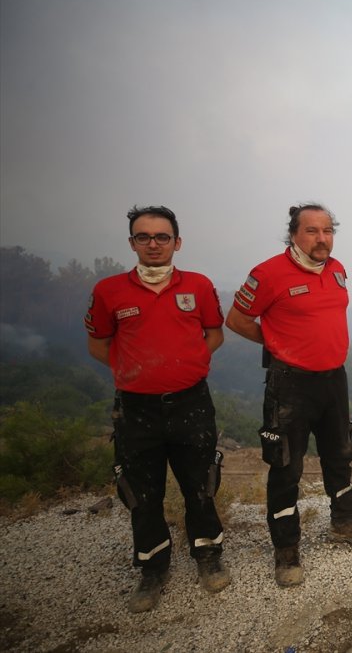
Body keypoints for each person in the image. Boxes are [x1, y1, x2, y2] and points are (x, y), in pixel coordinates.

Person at [226, 203, 352, 588]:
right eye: (312, 231)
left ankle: (345, 522)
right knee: (286, 466)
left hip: (334, 380)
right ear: (294, 234)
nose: (321, 238)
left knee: (340, 455)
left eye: (328, 231)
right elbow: (237, 319)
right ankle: (286, 549)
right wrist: (278, 342)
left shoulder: (338, 269)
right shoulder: (267, 274)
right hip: (290, 383)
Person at [84, 206, 230, 612]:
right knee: (141, 494)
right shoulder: (109, 291)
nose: (153, 244)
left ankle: (208, 554)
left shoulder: (198, 286)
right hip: (135, 410)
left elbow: (214, 332)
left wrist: (188, 362)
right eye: (143, 237)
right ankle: (152, 567)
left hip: (191, 402)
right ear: (132, 243)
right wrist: (135, 372)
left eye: (162, 237)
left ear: (176, 243)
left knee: (200, 485)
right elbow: (98, 345)